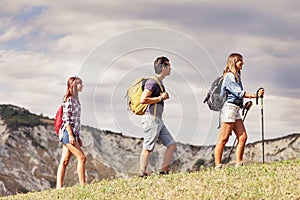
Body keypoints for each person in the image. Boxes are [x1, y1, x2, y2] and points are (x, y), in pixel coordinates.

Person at [214, 53, 264, 169]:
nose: (242, 63)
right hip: (229, 109)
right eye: (240, 61)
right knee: (224, 138)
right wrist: (255, 96)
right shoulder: (230, 76)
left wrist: (244, 105)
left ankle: (239, 164)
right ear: (233, 62)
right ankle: (218, 166)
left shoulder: (237, 76)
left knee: (242, 137)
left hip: (234, 108)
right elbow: (238, 93)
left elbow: (235, 96)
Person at [138, 56, 177, 177]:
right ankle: (142, 172)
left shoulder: (159, 82)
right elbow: (143, 99)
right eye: (169, 65)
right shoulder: (152, 82)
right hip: (151, 118)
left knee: (171, 144)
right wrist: (161, 98)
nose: (171, 68)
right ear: (164, 67)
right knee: (148, 146)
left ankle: (164, 171)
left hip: (158, 119)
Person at [56, 76, 86, 188]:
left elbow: (76, 121)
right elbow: (67, 119)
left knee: (65, 160)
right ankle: (83, 185)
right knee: (82, 157)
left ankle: (58, 187)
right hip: (67, 133)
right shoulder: (69, 100)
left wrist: (78, 136)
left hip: (72, 134)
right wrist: (70, 135)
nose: (82, 86)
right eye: (80, 84)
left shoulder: (77, 101)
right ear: (73, 86)